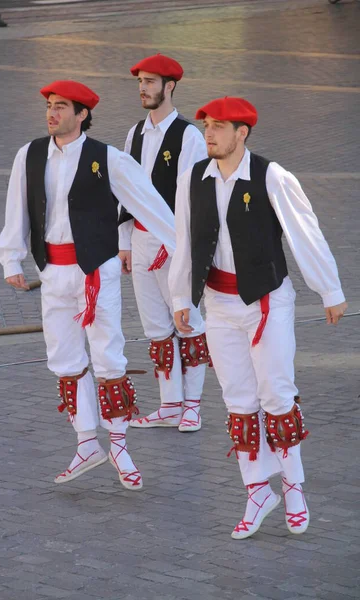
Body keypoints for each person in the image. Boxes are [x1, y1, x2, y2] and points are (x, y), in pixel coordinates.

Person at [169, 96, 347, 538]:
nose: (208, 133)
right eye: (206, 124)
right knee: (237, 399)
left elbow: (305, 230)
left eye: (218, 126)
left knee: (276, 394)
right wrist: (180, 298)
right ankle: (256, 492)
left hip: (266, 301)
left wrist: (329, 288)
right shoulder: (194, 178)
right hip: (219, 305)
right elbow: (184, 239)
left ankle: (294, 489)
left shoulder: (272, 176)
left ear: (241, 133)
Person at [0, 80, 177, 491]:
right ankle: (85, 444)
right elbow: (18, 208)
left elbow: (150, 204)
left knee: (108, 356)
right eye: (48, 105)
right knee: (63, 357)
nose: (51, 112)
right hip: (53, 272)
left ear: (82, 115)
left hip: (97, 271)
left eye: (61, 106)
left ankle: (118, 444)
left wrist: (183, 252)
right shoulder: (29, 155)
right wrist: (11, 256)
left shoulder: (107, 159)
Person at [118, 54, 210, 433]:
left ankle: (193, 406)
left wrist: (175, 243)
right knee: (156, 327)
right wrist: (124, 241)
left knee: (186, 320)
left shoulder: (189, 136)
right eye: (140, 81)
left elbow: (195, 198)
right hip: (139, 240)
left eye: (150, 82)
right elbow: (124, 191)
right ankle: (170, 404)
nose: (143, 88)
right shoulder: (134, 133)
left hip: (173, 244)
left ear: (169, 86)